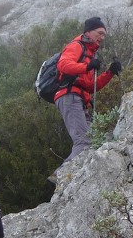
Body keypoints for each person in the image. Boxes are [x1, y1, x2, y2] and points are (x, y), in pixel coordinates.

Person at [52, 17, 121, 172]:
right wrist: (86, 66)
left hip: (79, 99)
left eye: (104, 35)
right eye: (100, 33)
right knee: (83, 142)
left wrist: (110, 72)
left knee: (95, 140)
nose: (102, 37)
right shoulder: (77, 46)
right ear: (88, 32)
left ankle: (71, 175)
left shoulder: (91, 54)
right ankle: (61, 175)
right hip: (69, 96)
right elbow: (63, 64)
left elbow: (90, 87)